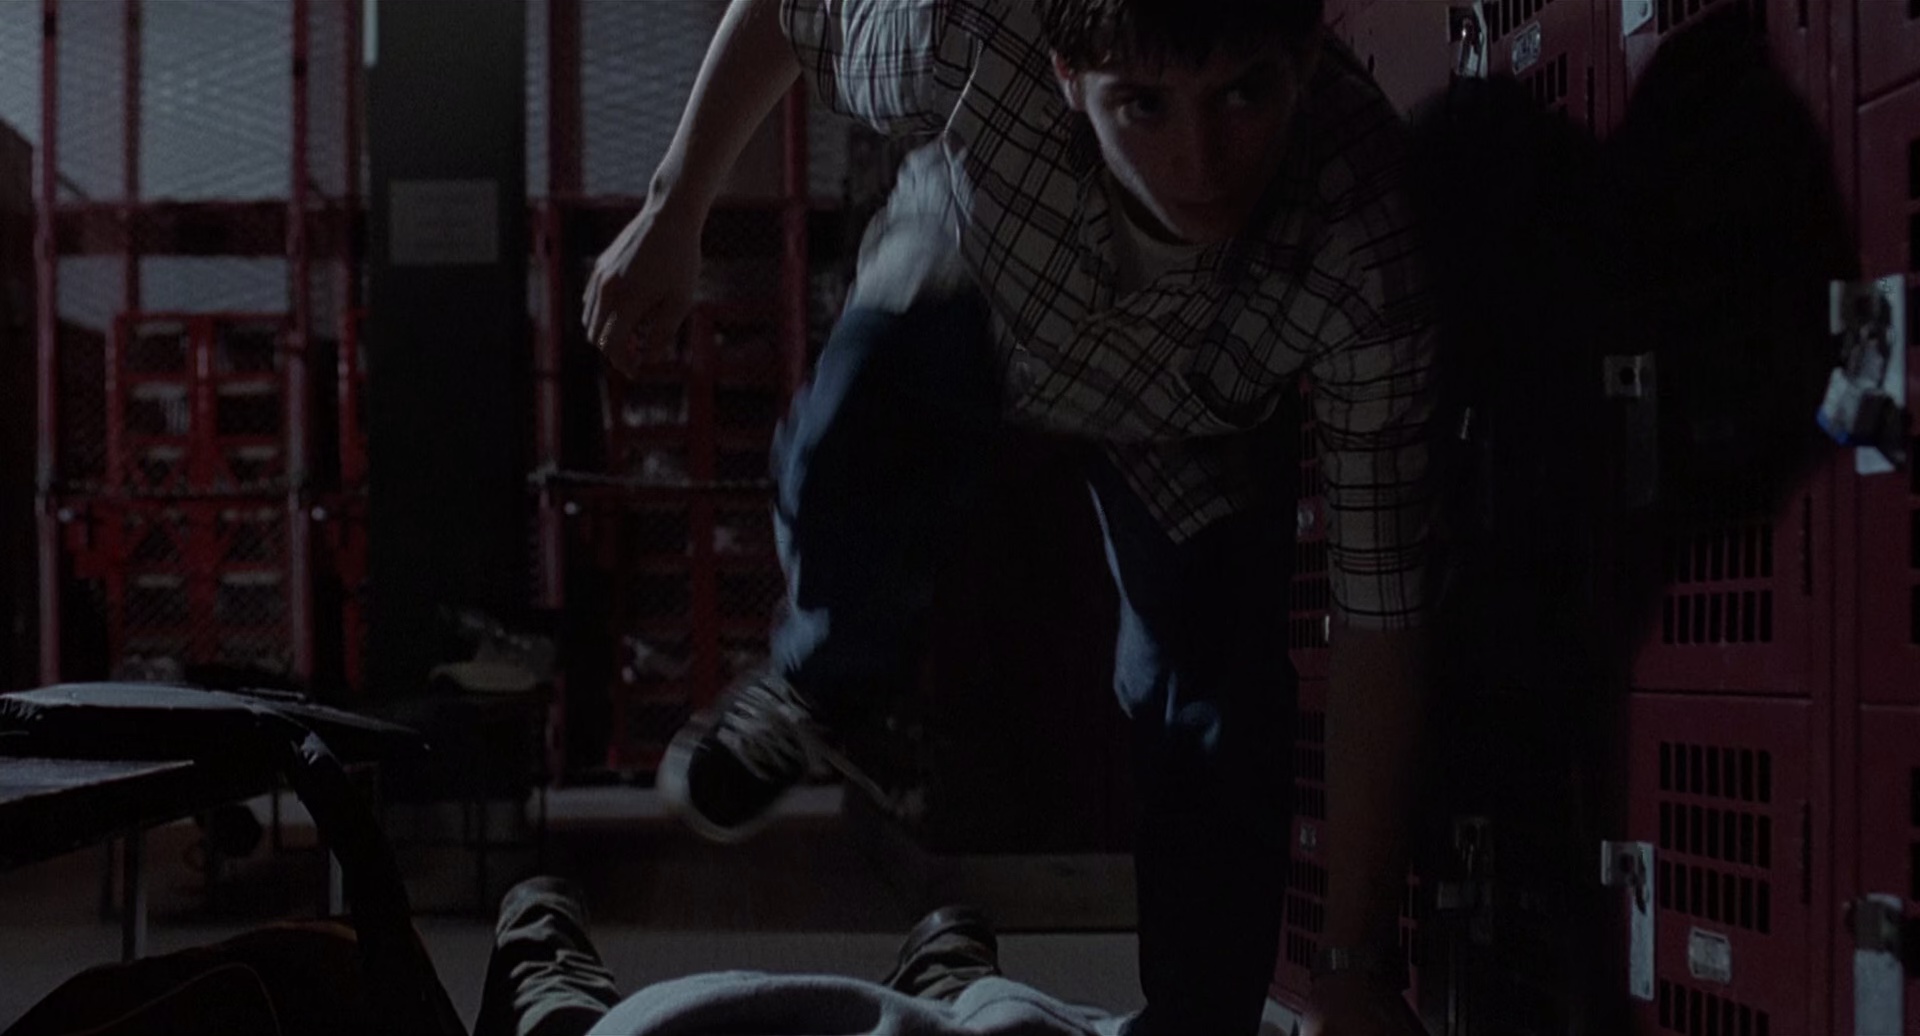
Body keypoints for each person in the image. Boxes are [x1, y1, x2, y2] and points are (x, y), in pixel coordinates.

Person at [582, 1, 1436, 1033]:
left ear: (1304, 56)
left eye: (1244, 95)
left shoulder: (1361, 235)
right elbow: (784, 10)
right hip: (977, 296)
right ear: (1069, 72)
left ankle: (1199, 1021)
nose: (1200, 162)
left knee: (1219, 706)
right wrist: (675, 211)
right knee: (861, 407)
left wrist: (1351, 963)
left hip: (1182, 411)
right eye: (1145, 106)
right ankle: (822, 675)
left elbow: (1380, 613)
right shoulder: (976, 28)